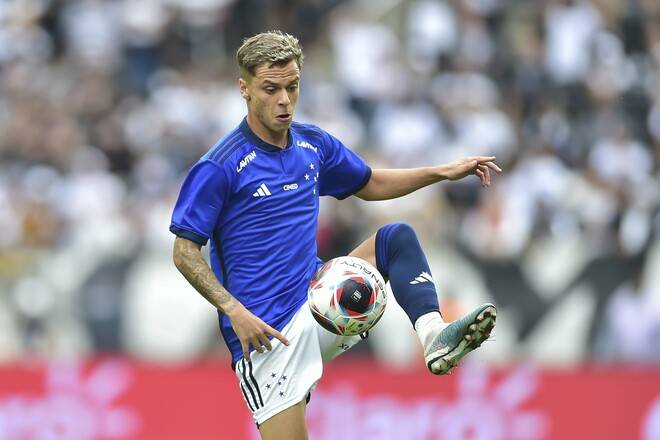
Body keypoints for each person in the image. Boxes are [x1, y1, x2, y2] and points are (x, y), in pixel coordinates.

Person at [170, 31, 499, 440]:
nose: (284, 100)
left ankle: (433, 334)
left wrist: (441, 172)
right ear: (245, 89)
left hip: (320, 301)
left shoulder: (313, 144)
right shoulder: (220, 166)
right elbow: (184, 251)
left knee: (395, 239)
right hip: (267, 338)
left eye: (292, 87)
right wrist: (233, 310)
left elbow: (370, 183)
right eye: (271, 89)